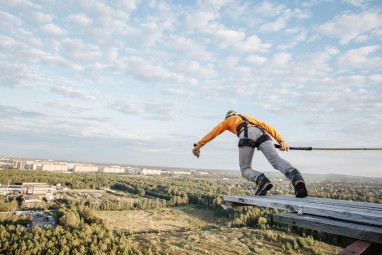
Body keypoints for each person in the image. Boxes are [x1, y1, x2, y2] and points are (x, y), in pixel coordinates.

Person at [192, 110, 308, 198]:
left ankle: (261, 180)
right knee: (276, 160)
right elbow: (267, 126)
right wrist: (281, 141)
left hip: (246, 134)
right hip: (262, 133)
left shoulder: (227, 121)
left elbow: (214, 132)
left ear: (228, 117)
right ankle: (295, 176)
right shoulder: (248, 117)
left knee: (245, 169)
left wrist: (199, 145)